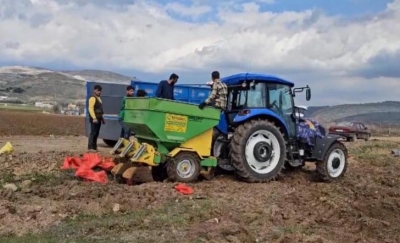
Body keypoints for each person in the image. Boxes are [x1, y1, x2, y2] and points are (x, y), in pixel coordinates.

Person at [88, 84, 104, 152]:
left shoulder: (99, 99)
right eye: (98, 91)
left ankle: (94, 147)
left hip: (99, 118)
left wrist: (102, 118)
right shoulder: (92, 98)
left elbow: (100, 110)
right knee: (93, 132)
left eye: (100, 91)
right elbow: (90, 109)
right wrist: (94, 118)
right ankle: (90, 147)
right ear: (94, 90)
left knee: (97, 133)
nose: (99, 92)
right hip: (94, 119)